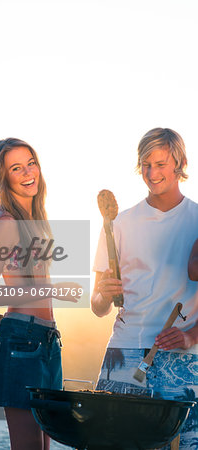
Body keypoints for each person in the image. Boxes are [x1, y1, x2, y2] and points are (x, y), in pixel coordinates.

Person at [91, 128, 198, 449]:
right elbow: (97, 305)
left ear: (179, 162)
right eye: (146, 165)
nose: (152, 174)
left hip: (184, 357)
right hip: (125, 351)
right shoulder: (118, 224)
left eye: (161, 164)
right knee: (111, 443)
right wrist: (104, 295)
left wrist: (191, 336)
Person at [0, 138, 81, 450]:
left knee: (45, 445)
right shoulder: (7, 222)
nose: (27, 172)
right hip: (22, 339)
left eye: (30, 162)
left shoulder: (34, 219)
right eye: (15, 168)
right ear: (3, 177)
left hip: (47, 340)